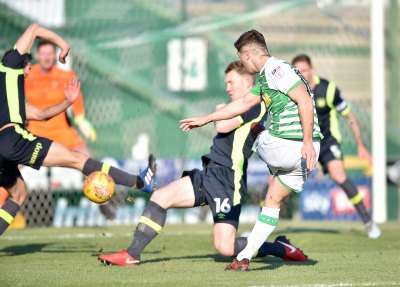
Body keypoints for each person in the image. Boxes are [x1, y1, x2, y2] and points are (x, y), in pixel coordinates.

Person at [98, 61, 308, 266]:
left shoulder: (256, 106)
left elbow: (223, 126)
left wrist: (219, 111)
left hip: (228, 179)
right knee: (161, 196)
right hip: (209, 172)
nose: (227, 88)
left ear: (247, 82)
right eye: (226, 83)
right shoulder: (236, 105)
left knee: (225, 248)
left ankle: (279, 248)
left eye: (231, 82)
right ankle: (132, 254)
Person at [180, 29, 322, 271]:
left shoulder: (276, 70)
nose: (243, 64)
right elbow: (244, 102)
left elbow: (305, 100)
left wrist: (306, 140)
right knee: (272, 200)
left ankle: (263, 142)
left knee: (256, 128)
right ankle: (244, 257)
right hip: (303, 153)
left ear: (247, 54)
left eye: (242, 58)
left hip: (292, 144)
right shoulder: (268, 76)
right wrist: (206, 118)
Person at [0, 23, 155, 236]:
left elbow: (41, 114)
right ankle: (138, 181)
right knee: (78, 160)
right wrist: (63, 45)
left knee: (18, 195)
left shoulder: (10, 96)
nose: (29, 71)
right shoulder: (10, 64)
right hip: (12, 139)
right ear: (22, 61)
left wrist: (67, 102)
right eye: (28, 65)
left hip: (5, 145)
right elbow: (34, 29)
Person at [292, 54, 381, 239]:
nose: (301, 74)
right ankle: (259, 228)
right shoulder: (290, 91)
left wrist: (361, 146)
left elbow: (350, 117)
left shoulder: (328, 89)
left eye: (305, 70)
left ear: (312, 70)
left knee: (339, 175)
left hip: (327, 142)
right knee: (275, 180)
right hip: (302, 142)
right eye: (297, 71)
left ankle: (368, 221)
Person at [25, 40, 114, 219]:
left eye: (51, 53)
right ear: (37, 55)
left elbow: (77, 103)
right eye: (44, 53)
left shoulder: (65, 75)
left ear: (56, 55)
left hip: (63, 133)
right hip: (33, 133)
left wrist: (82, 121)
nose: (47, 57)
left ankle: (103, 202)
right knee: (7, 162)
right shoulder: (27, 75)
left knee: (88, 160)